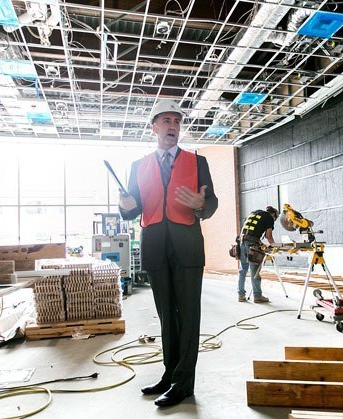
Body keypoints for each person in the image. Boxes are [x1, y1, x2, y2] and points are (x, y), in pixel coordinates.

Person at [119, 99, 218, 408]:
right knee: (166, 318)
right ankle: (169, 374)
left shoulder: (197, 161)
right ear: (155, 128)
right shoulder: (139, 166)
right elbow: (131, 208)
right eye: (166, 120)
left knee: (188, 316)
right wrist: (125, 208)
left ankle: (184, 383)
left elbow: (211, 202)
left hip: (187, 246)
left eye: (176, 120)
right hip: (155, 246)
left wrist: (201, 205)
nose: (172, 125)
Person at [238, 206, 279, 303]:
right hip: (252, 245)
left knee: (243, 269)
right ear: (273, 215)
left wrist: (261, 244)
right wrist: (274, 247)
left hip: (242, 242)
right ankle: (257, 296)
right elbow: (269, 236)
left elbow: (251, 233)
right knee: (255, 271)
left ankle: (241, 295)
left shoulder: (254, 212)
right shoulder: (269, 217)